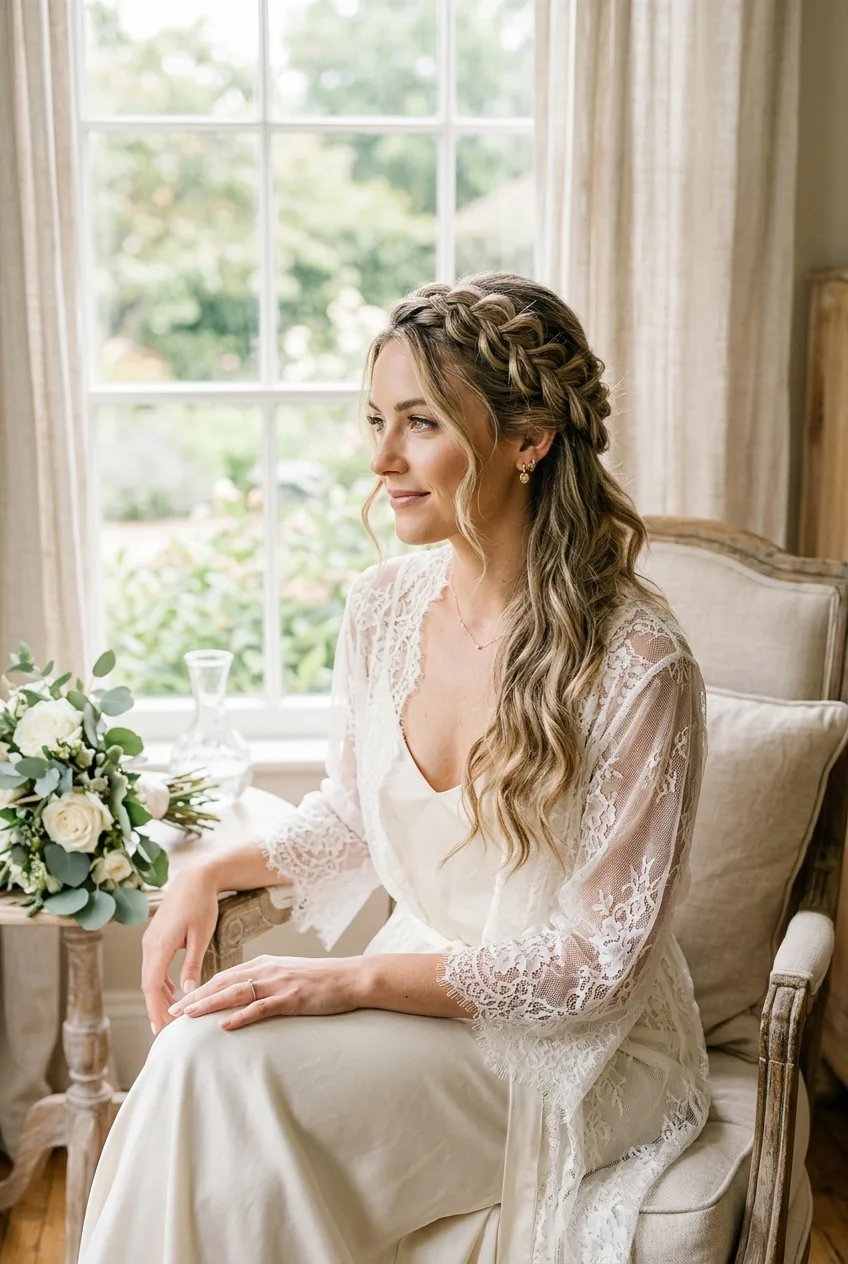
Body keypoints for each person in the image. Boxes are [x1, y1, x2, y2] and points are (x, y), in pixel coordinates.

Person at [79, 272, 710, 1264]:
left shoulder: (638, 664)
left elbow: (592, 965)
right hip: (423, 988)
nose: (380, 460)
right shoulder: (380, 608)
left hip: (575, 1047)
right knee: (201, 1056)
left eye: (419, 422)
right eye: (376, 420)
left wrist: (352, 979)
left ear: (529, 438)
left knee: (216, 1069)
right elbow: (353, 816)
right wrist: (208, 870)